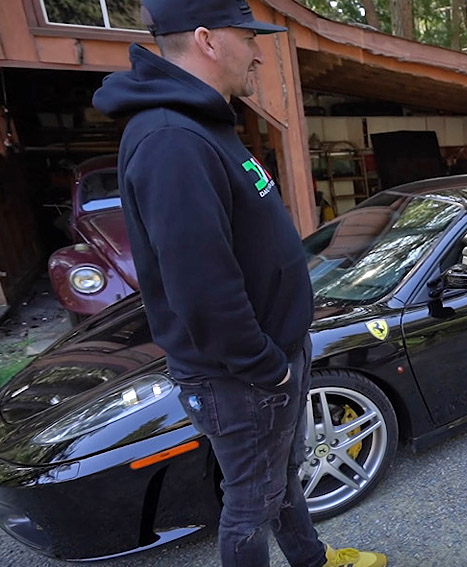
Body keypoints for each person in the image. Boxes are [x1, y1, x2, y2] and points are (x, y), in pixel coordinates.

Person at [92, 1, 386, 566]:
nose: (257, 49)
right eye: (246, 36)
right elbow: (200, 286)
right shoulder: (170, 139)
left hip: (270, 357)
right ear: (206, 40)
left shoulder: (205, 123)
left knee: (282, 480)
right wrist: (265, 366)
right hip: (242, 376)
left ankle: (313, 561)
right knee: (251, 506)